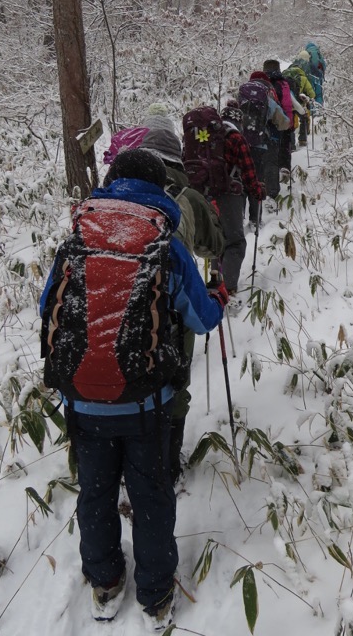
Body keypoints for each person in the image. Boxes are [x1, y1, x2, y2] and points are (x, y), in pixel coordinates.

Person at [39, 149, 228, 630]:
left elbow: (47, 306)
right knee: (150, 495)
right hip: (147, 404)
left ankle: (104, 582)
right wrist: (217, 296)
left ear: (111, 182)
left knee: (95, 493)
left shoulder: (76, 238)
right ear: (157, 188)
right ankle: (157, 594)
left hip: (82, 401)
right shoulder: (163, 241)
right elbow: (201, 318)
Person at [142, 126, 225, 484]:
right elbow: (214, 246)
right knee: (173, 388)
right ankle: (166, 467)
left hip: (111, 307)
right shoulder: (188, 196)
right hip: (171, 308)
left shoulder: (114, 201)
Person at [204, 105, 265, 300]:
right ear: (239, 121)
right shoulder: (236, 138)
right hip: (228, 196)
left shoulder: (205, 136)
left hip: (204, 196)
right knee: (235, 243)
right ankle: (227, 290)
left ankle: (215, 285)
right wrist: (258, 191)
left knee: (216, 241)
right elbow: (248, 172)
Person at [244, 72, 289, 222]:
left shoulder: (242, 94)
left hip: (242, 143)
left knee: (245, 177)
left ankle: (240, 214)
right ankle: (257, 217)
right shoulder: (267, 97)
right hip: (262, 143)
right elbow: (283, 122)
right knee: (262, 175)